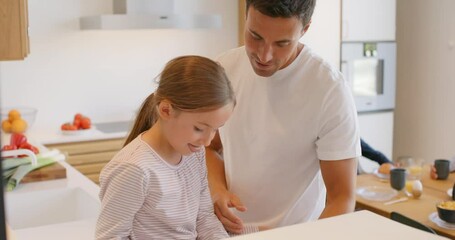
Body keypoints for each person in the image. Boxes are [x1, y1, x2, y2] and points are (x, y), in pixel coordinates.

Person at [206, 0, 361, 234]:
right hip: (228, 231)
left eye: (282, 43)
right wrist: (217, 189)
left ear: (305, 29)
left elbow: (341, 198)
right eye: (255, 36)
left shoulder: (329, 90)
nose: (264, 55)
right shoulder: (224, 68)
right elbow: (208, 146)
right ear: (246, 15)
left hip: (298, 234)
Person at [95, 55, 235, 240]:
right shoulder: (134, 169)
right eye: (199, 128)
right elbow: (110, 237)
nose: (208, 142)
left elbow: (204, 218)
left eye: (215, 130)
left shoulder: (195, 154)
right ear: (166, 110)